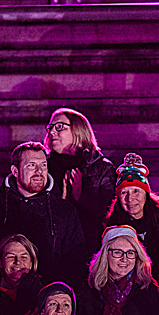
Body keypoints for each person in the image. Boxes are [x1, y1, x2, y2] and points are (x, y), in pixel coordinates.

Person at [0, 140, 85, 284]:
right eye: (31, 165)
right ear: (15, 171)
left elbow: (76, 260)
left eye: (43, 165)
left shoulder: (64, 211)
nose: (39, 172)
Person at [105, 153, 159, 313]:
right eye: (124, 192)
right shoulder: (113, 226)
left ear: (146, 193)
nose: (130, 198)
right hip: (130, 294)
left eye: (136, 191)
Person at [44, 107, 116, 253]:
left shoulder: (102, 168)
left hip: (91, 248)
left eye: (59, 127)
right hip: (53, 248)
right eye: (50, 128)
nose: (52, 132)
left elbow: (110, 215)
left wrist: (80, 197)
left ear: (78, 129)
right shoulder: (44, 168)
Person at [0, 233, 43, 315]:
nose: (18, 262)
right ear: (0, 261)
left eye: (24, 257)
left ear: (32, 262)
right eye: (10, 257)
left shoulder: (42, 293)